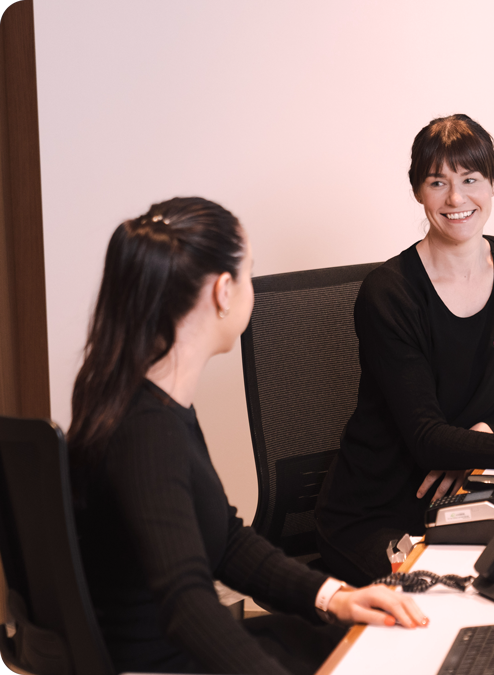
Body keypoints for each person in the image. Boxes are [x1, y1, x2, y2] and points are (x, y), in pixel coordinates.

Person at [68, 197, 426, 675]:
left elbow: (226, 540)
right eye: (248, 273)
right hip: (168, 664)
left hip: (183, 652)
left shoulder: (149, 400)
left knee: (364, 640)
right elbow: (186, 606)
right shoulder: (146, 432)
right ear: (222, 291)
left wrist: (335, 597)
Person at [315, 114, 494, 586]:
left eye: (470, 180)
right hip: (377, 511)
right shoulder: (389, 293)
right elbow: (426, 438)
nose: (456, 199)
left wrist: (475, 446)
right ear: (417, 192)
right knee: (441, 601)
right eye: (437, 183)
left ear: (493, 184)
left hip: (466, 491)